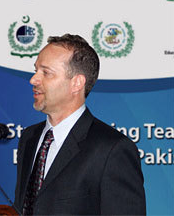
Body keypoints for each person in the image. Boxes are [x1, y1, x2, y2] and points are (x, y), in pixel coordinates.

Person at [14, 34, 146, 215]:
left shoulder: (112, 149)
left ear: (76, 83)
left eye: (46, 73)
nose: (33, 80)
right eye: (36, 70)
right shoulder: (30, 137)